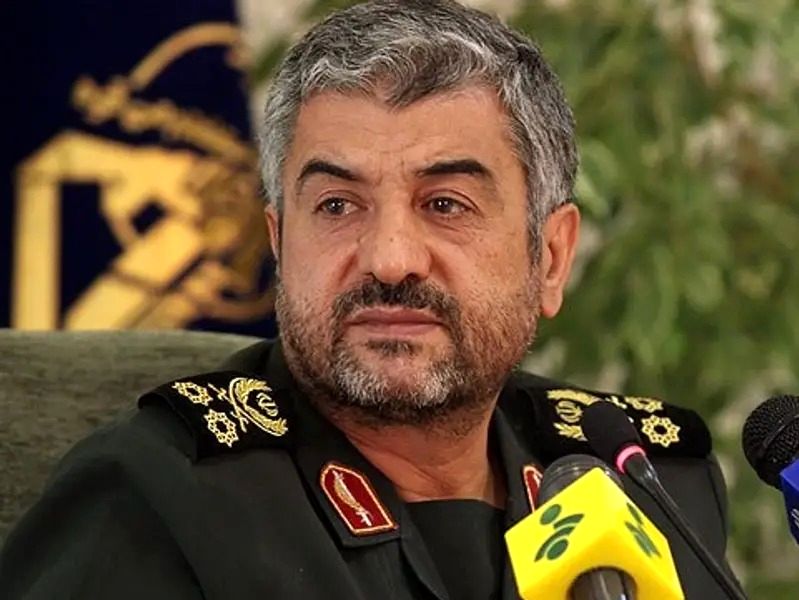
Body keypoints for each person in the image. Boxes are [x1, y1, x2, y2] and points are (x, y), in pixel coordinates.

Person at [0, 1, 740, 598]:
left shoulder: (644, 478)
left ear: (549, 258)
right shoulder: (157, 496)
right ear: (281, 244)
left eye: (445, 204)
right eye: (337, 205)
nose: (389, 258)